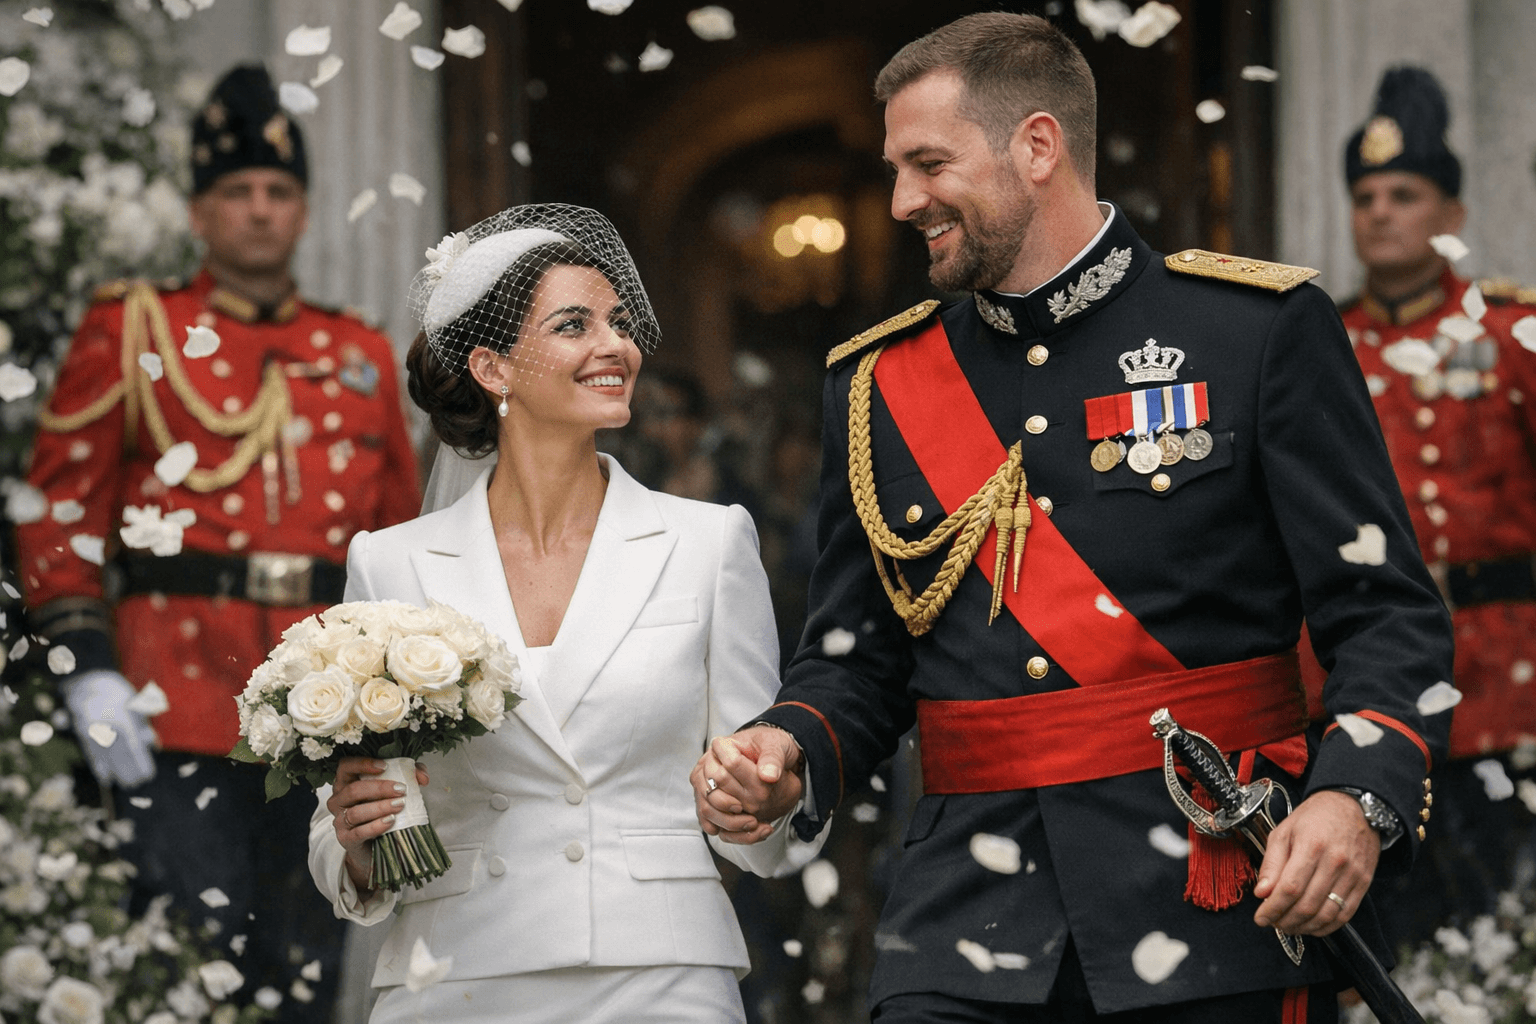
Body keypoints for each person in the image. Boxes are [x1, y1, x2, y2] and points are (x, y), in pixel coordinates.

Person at [692, 13, 1454, 1023]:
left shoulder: (1250, 331)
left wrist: (1352, 796)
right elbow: (859, 657)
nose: (902, 200)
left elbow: (1387, 615)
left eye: (927, 164)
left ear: (1037, 146)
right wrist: (791, 746)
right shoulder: (878, 382)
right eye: (895, 170)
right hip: (963, 924)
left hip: (1208, 901)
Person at [307, 204, 822, 1024]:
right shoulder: (391, 561)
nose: (616, 346)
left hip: (663, 973)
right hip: (454, 972)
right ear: (492, 366)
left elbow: (754, 810)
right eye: (574, 324)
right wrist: (360, 846)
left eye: (617, 322)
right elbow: (358, 825)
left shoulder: (708, 542)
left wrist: (767, 801)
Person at [16, 64, 420, 1019]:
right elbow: (56, 515)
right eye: (236, 192)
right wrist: (84, 666)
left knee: (306, 976)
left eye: (279, 192)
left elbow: (398, 541)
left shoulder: (357, 354)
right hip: (175, 705)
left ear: (305, 210)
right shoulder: (131, 327)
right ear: (199, 212)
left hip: (327, 717)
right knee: (194, 974)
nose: (259, 212)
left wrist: (401, 712)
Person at [1321, 65, 1536, 944]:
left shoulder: (1512, 335)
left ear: (1450, 216)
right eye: (1365, 194)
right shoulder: (1319, 344)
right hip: (1370, 686)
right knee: (1389, 935)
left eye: (1404, 193)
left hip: (1507, 681)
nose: (1379, 210)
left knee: (1505, 930)